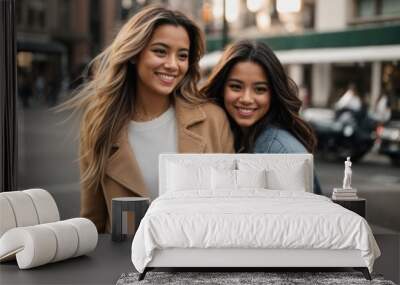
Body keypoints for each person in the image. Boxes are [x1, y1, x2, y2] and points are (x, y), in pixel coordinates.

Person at [66, 6, 234, 233]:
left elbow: (231, 209)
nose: (173, 65)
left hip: (199, 261)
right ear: (135, 54)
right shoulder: (99, 124)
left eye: (182, 56)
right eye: (160, 51)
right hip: (126, 263)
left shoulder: (213, 120)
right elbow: (94, 221)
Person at [201, 40, 321, 194]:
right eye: (236, 87)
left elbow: (306, 216)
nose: (246, 98)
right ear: (221, 88)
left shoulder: (281, 152)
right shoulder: (227, 136)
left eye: (259, 89)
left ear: (273, 94)